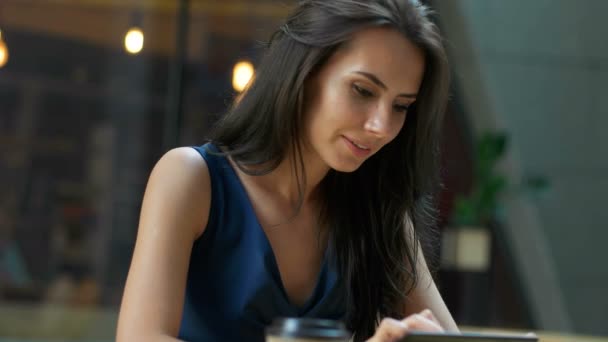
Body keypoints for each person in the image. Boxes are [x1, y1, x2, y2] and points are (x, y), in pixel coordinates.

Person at [117, 0, 459, 341]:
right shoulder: (191, 179)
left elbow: (449, 337)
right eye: (363, 90)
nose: (381, 126)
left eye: (401, 106)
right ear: (305, 72)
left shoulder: (380, 214)